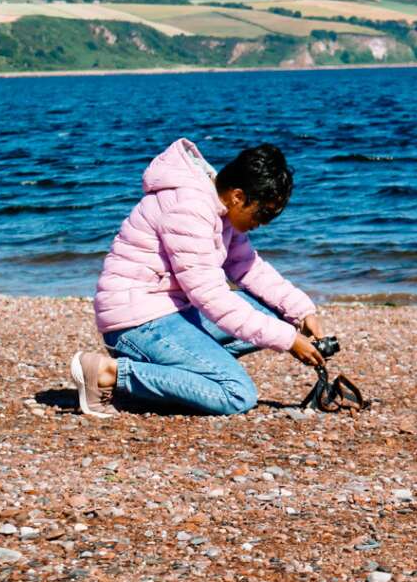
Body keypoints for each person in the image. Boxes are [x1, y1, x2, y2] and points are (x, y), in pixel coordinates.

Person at [70, 137, 325, 418]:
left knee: (277, 310)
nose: (262, 224)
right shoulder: (188, 209)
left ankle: (187, 373)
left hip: (172, 313)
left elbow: (250, 267)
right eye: (262, 214)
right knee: (236, 394)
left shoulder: (221, 207)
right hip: (136, 324)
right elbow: (211, 296)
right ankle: (107, 372)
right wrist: (287, 340)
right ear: (239, 196)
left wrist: (301, 312)